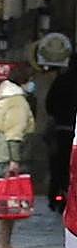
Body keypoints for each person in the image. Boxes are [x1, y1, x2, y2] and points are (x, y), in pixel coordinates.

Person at [0, 67, 35, 248]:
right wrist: (15, 160)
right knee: (10, 202)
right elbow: (15, 130)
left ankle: (3, 242)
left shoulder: (3, 97)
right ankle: (4, 243)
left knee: (4, 202)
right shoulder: (17, 101)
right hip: (8, 156)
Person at [44, 52, 77, 212]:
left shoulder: (61, 80)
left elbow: (49, 104)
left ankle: (55, 196)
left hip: (61, 128)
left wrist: (57, 115)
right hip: (74, 130)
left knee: (58, 165)